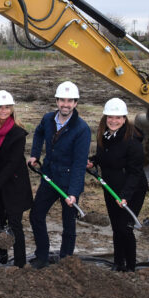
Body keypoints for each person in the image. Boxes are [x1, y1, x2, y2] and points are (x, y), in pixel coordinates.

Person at [28, 81, 91, 269]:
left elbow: (80, 164)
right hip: (49, 177)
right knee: (36, 215)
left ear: (75, 103)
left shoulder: (82, 129)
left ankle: (66, 260)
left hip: (68, 181)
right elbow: (39, 133)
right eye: (62, 100)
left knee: (68, 223)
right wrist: (35, 154)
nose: (66, 104)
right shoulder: (48, 119)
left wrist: (73, 193)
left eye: (70, 101)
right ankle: (42, 256)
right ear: (56, 101)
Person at [87, 98, 147, 272]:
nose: (113, 121)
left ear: (124, 118)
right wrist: (93, 161)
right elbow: (105, 156)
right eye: (110, 117)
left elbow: (135, 173)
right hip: (111, 188)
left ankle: (131, 267)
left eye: (118, 117)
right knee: (116, 227)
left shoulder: (133, 142)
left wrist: (125, 196)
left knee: (125, 227)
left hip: (132, 191)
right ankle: (118, 262)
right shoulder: (105, 136)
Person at [0, 90, 33, 268]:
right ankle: (2, 257)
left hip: (14, 183)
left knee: (14, 223)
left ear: (12, 109)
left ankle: (19, 263)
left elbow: (12, 163)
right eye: (0, 107)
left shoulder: (18, 134)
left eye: (7, 107)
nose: (3, 110)